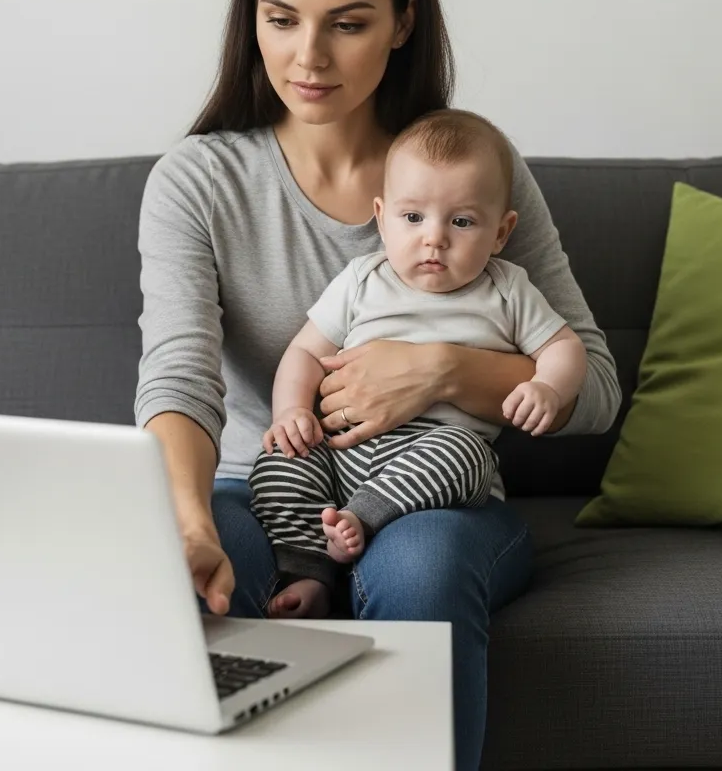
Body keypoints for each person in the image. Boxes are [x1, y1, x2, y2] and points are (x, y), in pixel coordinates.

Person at [134, 0, 621, 770]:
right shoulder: (199, 182)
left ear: (403, 21)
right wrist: (189, 518)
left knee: (419, 571)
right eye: (280, 19)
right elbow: (178, 379)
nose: (308, 57)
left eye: (347, 23)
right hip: (267, 479)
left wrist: (442, 371)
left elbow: (592, 387)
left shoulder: (472, 173)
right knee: (204, 563)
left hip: (440, 497)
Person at [248, 109, 588, 618]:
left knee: (466, 451)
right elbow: (303, 352)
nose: (435, 238)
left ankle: (359, 521)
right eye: (413, 218)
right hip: (340, 456)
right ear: (381, 217)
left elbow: (566, 348)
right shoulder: (363, 279)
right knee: (278, 461)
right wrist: (291, 412)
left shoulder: (507, 289)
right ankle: (309, 571)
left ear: (501, 231)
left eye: (462, 221)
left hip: (435, 469)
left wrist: (550, 388)